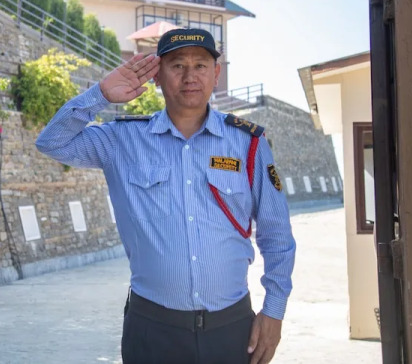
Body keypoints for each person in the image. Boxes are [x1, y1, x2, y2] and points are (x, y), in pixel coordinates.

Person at [35, 28, 296, 364]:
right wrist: (100, 95)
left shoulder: (248, 143)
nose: (190, 76)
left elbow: (277, 234)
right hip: (152, 332)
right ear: (157, 75)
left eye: (200, 65)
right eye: (177, 65)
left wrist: (274, 311)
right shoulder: (122, 140)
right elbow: (51, 142)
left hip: (231, 330)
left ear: (216, 73)